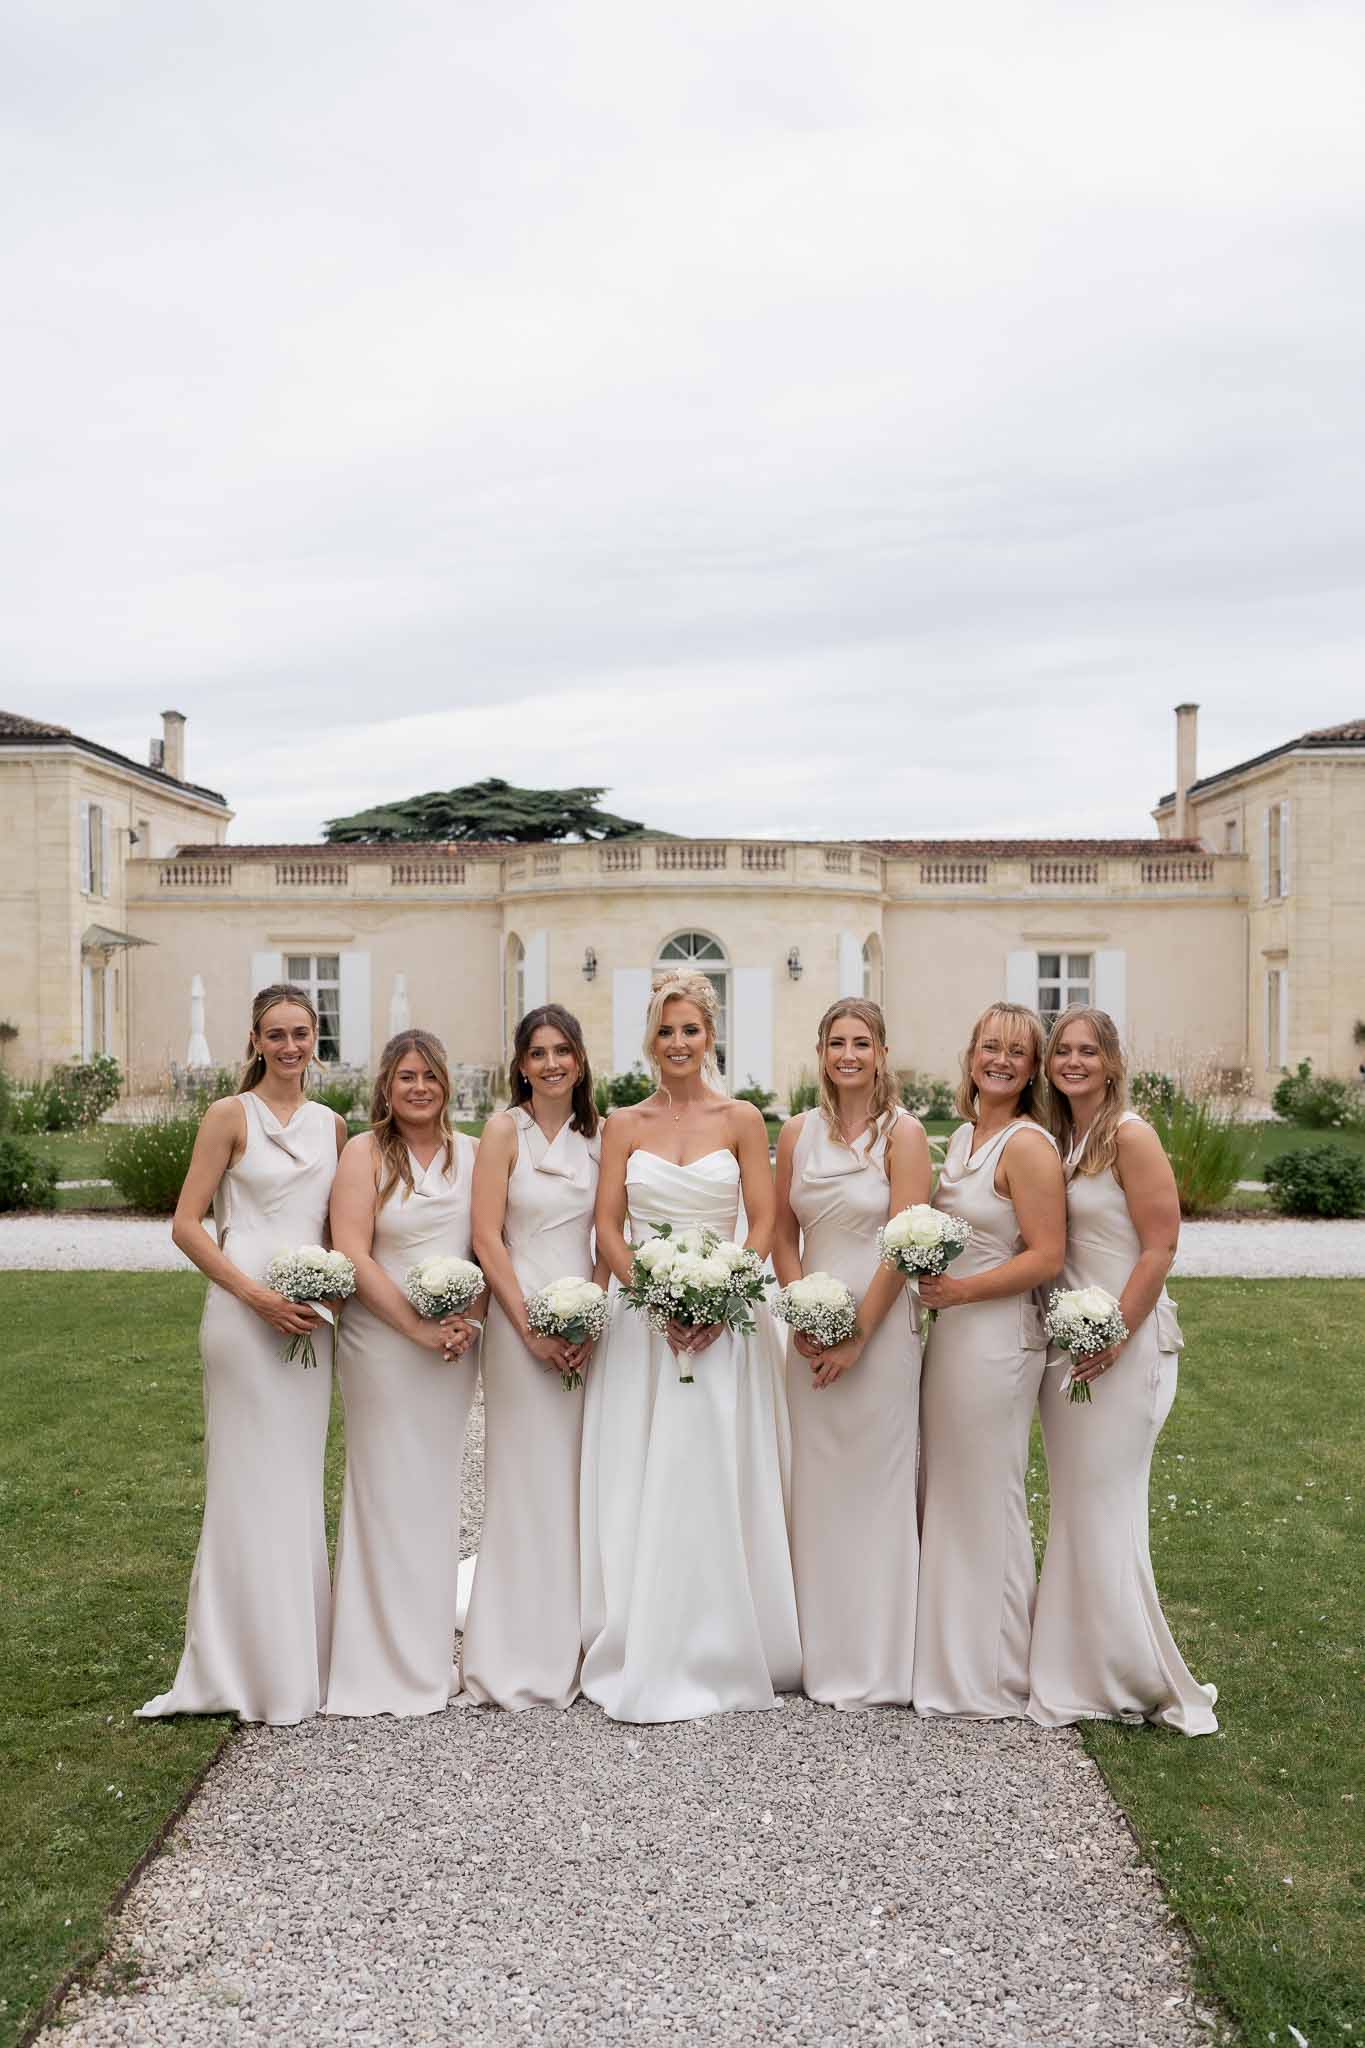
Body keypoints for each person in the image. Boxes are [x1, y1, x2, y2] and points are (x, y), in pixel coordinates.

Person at [579, 971, 800, 1722]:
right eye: (666, 1031)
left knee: (713, 1464)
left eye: (691, 1031)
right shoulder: (623, 1124)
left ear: (710, 1036)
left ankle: (725, 1628)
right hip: (643, 1320)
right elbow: (607, 1227)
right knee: (643, 1466)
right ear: (651, 1038)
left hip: (725, 1317)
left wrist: (719, 1294)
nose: (678, 1044)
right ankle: (638, 1622)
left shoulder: (740, 1118)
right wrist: (654, 1294)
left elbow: (764, 1221)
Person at [139, 984, 347, 1724]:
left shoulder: (333, 1125)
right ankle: (233, 1662)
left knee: (295, 1481)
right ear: (254, 1041)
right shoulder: (230, 1116)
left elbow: (337, 1225)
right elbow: (187, 1225)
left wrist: (327, 1289)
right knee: (242, 1480)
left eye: (300, 1033)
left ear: (314, 1037)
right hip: (241, 1313)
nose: (289, 1047)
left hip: (309, 1317)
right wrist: (256, 1297)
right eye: (274, 1035)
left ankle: (299, 1657)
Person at [1028, 1006, 1218, 1734]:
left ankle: (1125, 1675)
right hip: (1068, 1348)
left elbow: (1159, 1247)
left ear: (1110, 1062)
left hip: (1123, 1346)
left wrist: (1113, 1332)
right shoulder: (1064, 1140)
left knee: (1103, 1508)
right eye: (1062, 1052)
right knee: (1078, 1509)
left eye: (1086, 1051)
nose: (1072, 1062)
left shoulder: (1129, 1136)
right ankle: (1080, 1663)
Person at [773, 999, 931, 1708]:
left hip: (880, 1329)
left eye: (860, 1042)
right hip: (808, 1335)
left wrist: (856, 1335)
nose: (847, 1054)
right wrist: (800, 1309)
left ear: (881, 1052)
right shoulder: (795, 1133)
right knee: (813, 1488)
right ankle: (813, 1648)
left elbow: (903, 1245)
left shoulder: (904, 1134)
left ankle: (876, 1656)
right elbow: (778, 1233)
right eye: (835, 1041)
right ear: (821, 1051)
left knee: (876, 1489)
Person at [913, 1002, 1066, 1719]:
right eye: (988, 1047)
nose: (999, 1060)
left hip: (998, 1338)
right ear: (970, 1055)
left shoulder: (1028, 1145)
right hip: (952, 1338)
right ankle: (949, 1657)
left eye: (1015, 1051)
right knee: (951, 1492)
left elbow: (1046, 1255)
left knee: (989, 1495)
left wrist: (960, 1290)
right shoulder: (964, 1136)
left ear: (1033, 1068)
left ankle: (998, 1669)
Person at [325, 1031, 482, 1717]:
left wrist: (464, 1321)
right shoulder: (363, 1153)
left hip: (451, 1349)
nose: (418, 1087)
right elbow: (353, 1253)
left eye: (429, 1076)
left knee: (434, 1491)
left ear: (446, 1083)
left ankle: (424, 1653)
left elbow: (488, 1243)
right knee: (384, 1489)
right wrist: (415, 1327)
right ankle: (371, 1659)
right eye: (405, 1076)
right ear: (385, 1086)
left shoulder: (471, 1154)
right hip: (382, 1346)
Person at [461, 1005, 603, 1709]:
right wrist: (530, 1329)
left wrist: (591, 1322)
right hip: (522, 1329)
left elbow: (610, 1236)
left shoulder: (601, 1136)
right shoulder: (501, 1131)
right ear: (520, 1063)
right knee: (521, 1478)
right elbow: (487, 1239)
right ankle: (511, 1647)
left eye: (563, 1051)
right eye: (538, 1052)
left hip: (584, 1330)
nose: (551, 1063)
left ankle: (575, 1638)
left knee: (577, 1482)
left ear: (579, 1060)